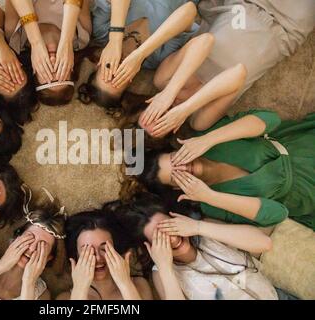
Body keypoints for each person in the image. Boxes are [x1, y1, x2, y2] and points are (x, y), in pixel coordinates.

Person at [141, 0, 315, 135]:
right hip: (284, 28)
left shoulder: (164, 80)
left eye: (151, 116)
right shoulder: (199, 119)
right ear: (171, 130)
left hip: (247, 5)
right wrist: (185, 109)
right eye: (159, 125)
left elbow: (204, 41)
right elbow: (238, 73)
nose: (160, 115)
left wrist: (170, 92)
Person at [134, 110, 315, 231]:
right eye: (175, 176)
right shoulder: (210, 204)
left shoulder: (207, 137)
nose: (183, 167)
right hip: (307, 194)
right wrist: (209, 197)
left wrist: (209, 139)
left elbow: (270, 119)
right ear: (176, 189)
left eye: (175, 159)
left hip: (304, 147)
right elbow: (277, 213)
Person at [109, 192, 289, 300]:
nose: (172, 238)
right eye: (160, 236)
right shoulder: (161, 273)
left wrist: (198, 227)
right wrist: (165, 267)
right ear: (149, 247)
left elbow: (263, 243)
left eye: (170, 226)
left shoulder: (205, 231)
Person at [78, 1, 200, 109]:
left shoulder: (102, 32)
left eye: (109, 70)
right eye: (119, 78)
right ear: (130, 80)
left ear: (98, 63)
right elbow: (189, 10)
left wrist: (115, 39)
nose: (118, 67)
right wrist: (140, 54)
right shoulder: (157, 58)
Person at [2, 0, 92, 105]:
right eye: (60, 70)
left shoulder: (16, 37)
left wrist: (36, 42)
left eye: (47, 70)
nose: (53, 61)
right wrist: (66, 40)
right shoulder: (81, 37)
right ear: (71, 67)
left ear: (34, 70)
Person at [56, 210, 153, 300]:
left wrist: (125, 284)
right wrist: (80, 290)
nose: (98, 257)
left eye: (104, 249)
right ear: (76, 255)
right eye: (88, 251)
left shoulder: (139, 285)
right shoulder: (65, 298)